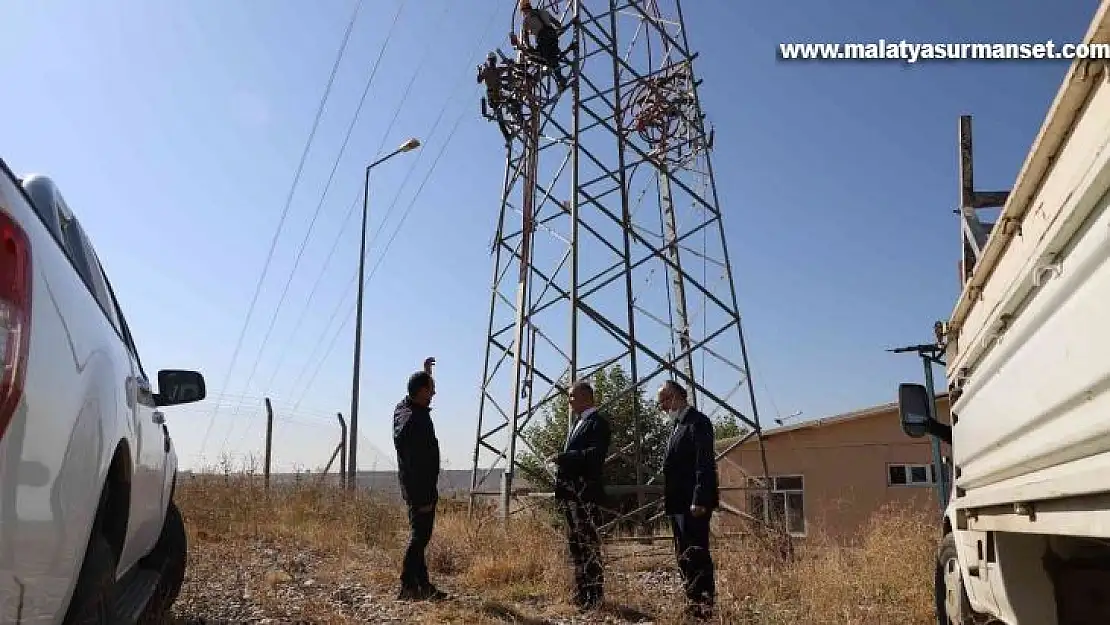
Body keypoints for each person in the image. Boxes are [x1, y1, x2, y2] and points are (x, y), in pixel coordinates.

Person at [658, 379, 718, 619]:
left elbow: (703, 464)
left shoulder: (697, 422)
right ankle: (692, 602)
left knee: (697, 554)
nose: (661, 406)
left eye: (663, 400)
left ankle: (704, 607)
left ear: (676, 397)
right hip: (679, 503)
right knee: (684, 556)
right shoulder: (677, 425)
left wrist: (700, 499)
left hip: (693, 504)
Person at [549, 380, 611, 610]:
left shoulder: (598, 424)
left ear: (586, 397)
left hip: (585, 494)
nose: (569, 401)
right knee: (576, 545)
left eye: (572, 397)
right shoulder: (578, 423)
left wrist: (563, 457)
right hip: (571, 495)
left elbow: (594, 456)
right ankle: (581, 593)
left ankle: (594, 596)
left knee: (588, 545)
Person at [392, 357, 447, 601]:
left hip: (416, 488)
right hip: (420, 490)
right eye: (431, 388)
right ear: (422, 391)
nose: (434, 392)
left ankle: (422, 586)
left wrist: (426, 373)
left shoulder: (405, 408)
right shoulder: (414, 422)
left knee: (420, 535)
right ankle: (406, 585)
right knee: (419, 537)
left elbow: (417, 393)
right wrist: (423, 496)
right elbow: (417, 465)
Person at [517, 0, 568, 91]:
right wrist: (559, 30)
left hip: (543, 39)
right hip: (553, 35)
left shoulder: (526, 19)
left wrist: (529, 48)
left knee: (546, 59)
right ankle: (560, 78)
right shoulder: (543, 11)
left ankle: (560, 80)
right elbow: (557, 23)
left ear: (523, 10)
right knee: (553, 57)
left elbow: (525, 37)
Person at [477, 52, 512, 141]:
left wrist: (510, 65)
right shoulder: (488, 70)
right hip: (494, 98)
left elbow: (507, 68)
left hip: (498, 96)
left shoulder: (495, 70)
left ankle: (519, 120)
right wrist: (480, 71)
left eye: (493, 60)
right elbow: (479, 80)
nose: (492, 62)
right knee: (500, 116)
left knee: (512, 102)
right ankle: (507, 136)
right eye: (491, 60)